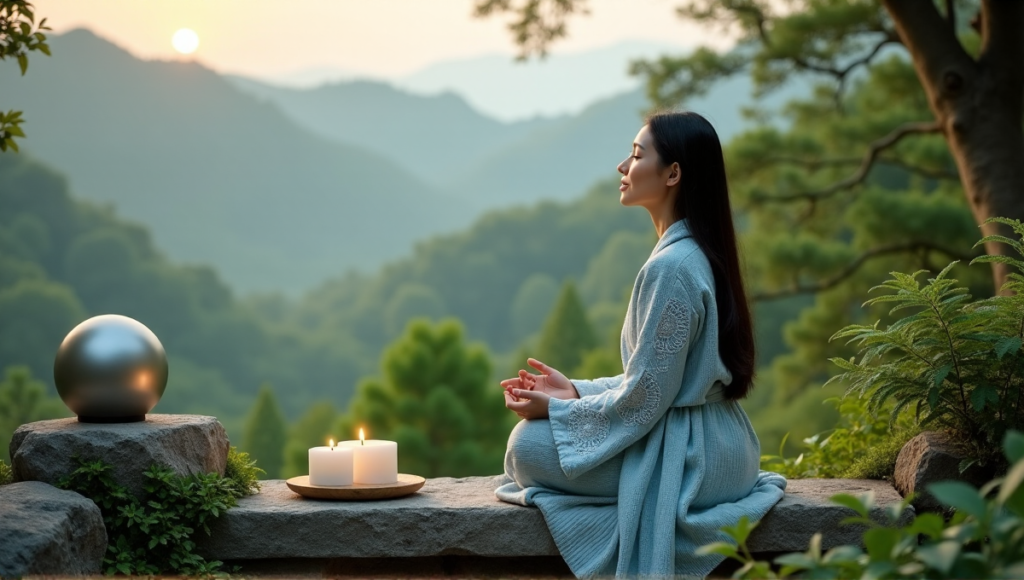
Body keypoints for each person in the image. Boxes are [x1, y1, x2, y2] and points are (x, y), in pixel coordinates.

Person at [494, 111, 787, 578]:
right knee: (534, 444)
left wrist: (559, 411)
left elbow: (646, 397)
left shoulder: (672, 267)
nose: (622, 166)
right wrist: (576, 391)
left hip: (693, 460)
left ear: (673, 174)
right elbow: (659, 380)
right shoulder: (697, 252)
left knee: (526, 446)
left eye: (635, 155)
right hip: (727, 446)